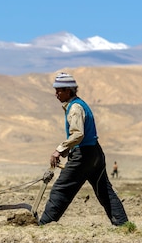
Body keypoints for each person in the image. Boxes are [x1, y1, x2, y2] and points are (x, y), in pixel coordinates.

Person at [38, 72, 129, 226]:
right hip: (95, 153)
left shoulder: (75, 108)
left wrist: (59, 150)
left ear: (68, 90)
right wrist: (67, 151)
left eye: (59, 90)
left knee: (61, 189)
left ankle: (44, 225)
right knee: (104, 191)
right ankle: (123, 225)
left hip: (83, 155)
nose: (56, 94)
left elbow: (78, 134)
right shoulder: (80, 104)